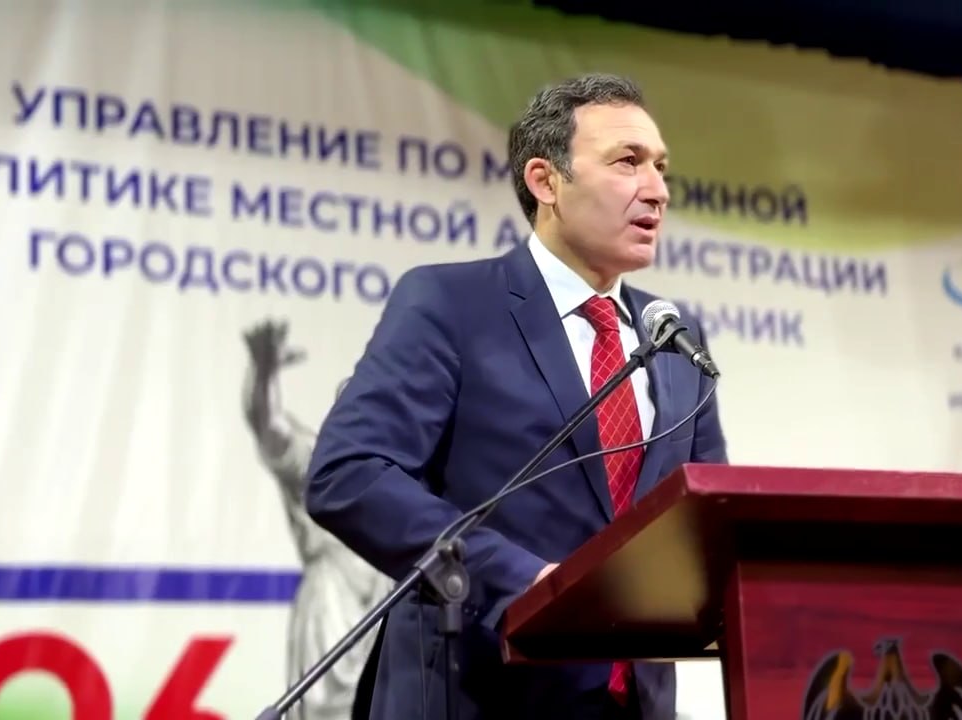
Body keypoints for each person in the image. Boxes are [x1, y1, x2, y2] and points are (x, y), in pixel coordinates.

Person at [305, 73, 728, 720]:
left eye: (661, 167)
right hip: (474, 693)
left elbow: (707, 521)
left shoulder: (671, 335)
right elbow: (350, 474)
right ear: (545, 180)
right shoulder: (450, 304)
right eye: (628, 162)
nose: (658, 190)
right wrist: (526, 583)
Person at [241, 319, 393, 720]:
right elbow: (269, 425)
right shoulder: (316, 463)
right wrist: (264, 371)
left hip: (381, 610)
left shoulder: (399, 476)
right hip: (331, 607)